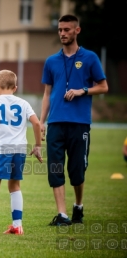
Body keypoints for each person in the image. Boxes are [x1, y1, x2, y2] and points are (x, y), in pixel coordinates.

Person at [40, 14, 108, 226]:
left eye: (67, 30)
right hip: (55, 123)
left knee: (77, 171)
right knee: (55, 169)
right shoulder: (51, 61)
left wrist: (83, 91)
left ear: (77, 31)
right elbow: (47, 94)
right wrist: (42, 121)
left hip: (79, 124)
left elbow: (103, 86)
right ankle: (62, 215)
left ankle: (78, 206)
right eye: (60, 30)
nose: (62, 33)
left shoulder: (90, 58)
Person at [0, 70, 42, 235]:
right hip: (20, 148)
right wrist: (38, 145)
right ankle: (17, 225)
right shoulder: (24, 103)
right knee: (15, 185)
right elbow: (37, 123)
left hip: (2, 148)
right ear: (15, 87)